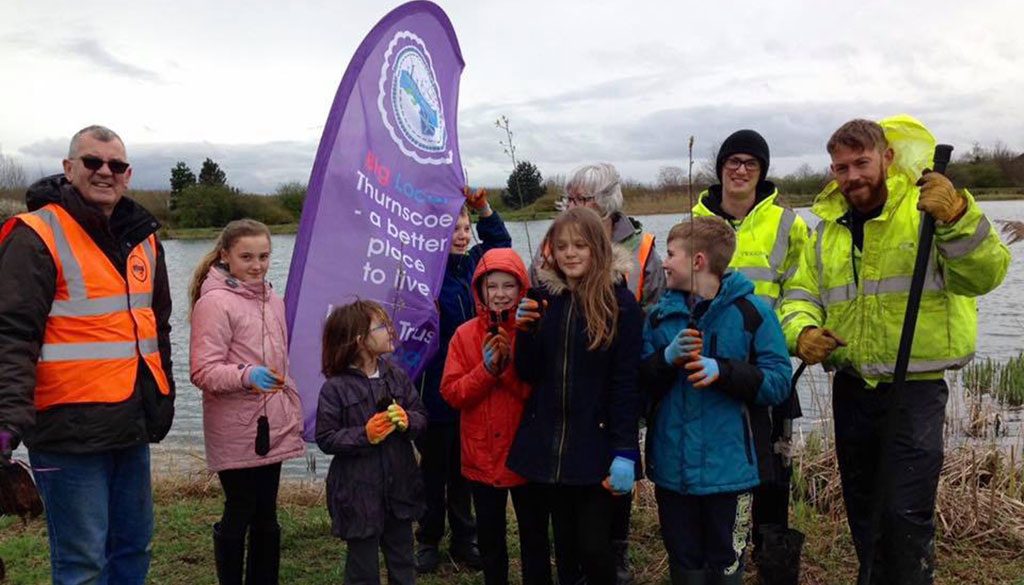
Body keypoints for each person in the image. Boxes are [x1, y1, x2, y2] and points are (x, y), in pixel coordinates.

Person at [779, 115, 1011, 584]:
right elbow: (800, 296)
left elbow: (986, 275)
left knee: (905, 514)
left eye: (861, 163)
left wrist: (958, 219)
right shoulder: (829, 230)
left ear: (886, 158)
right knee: (863, 510)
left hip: (915, 392)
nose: (852, 177)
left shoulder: (927, 211)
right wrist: (802, 334)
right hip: (852, 387)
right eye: (840, 168)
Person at [0, 125, 175, 584]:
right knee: (82, 565)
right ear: (68, 168)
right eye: (92, 162)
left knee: (133, 549)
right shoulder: (35, 234)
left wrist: (163, 397)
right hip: (66, 430)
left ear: (128, 174)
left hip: (130, 422)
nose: (104, 172)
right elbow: (11, 335)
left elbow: (158, 328)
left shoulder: (144, 238)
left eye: (115, 165)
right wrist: (6, 421)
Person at [639, 216, 792, 585]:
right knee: (685, 562)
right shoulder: (659, 319)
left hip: (733, 475)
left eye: (671, 254)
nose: (663, 262)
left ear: (698, 261)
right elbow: (638, 385)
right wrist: (665, 360)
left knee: (726, 563)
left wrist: (723, 371)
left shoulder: (754, 313)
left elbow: (778, 382)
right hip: (673, 474)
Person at [691, 130, 810, 580]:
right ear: (720, 167)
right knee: (723, 466)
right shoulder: (694, 220)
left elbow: (803, 288)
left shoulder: (788, 223)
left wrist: (797, 334)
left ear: (761, 172)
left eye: (751, 163)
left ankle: (773, 561)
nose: (740, 170)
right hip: (712, 369)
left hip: (767, 368)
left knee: (774, 469)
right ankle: (725, 557)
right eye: (733, 161)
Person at [510, 207, 644, 585]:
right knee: (564, 545)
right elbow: (528, 372)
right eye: (562, 245)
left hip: (596, 447)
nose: (570, 253)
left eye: (580, 245)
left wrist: (624, 451)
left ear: (598, 248)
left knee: (594, 547)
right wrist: (525, 331)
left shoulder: (621, 305)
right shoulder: (543, 300)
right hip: (548, 447)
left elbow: (625, 384)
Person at [548, 161, 664, 584]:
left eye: (584, 199)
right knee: (574, 513)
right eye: (571, 198)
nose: (574, 205)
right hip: (575, 389)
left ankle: (617, 551)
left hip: (623, 368)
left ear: (608, 201)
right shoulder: (558, 244)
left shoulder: (643, 246)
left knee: (613, 480)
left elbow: (655, 308)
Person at [189, 219, 306, 585]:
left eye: (264, 256)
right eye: (247, 257)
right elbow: (203, 371)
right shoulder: (214, 303)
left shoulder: (273, 298)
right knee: (240, 510)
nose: (257, 265)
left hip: (272, 424)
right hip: (234, 426)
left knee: (267, 515)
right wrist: (245, 375)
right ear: (225, 255)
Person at [441, 248, 552, 585]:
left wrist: (506, 372)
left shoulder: (535, 330)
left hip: (526, 454)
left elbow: (541, 393)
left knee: (535, 536)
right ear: (480, 290)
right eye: (493, 286)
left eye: (509, 286)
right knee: (490, 538)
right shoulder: (464, 335)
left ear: (522, 289)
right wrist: (487, 369)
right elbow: (452, 393)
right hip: (481, 456)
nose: (501, 294)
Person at [414, 187, 510, 573]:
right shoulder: (424, 276)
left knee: (466, 472)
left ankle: (464, 537)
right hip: (436, 393)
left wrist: (483, 208)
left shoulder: (476, 266)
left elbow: (500, 243)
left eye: (465, 226)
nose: (461, 234)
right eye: (452, 228)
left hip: (478, 390)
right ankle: (428, 540)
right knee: (434, 472)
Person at [315, 300, 428, 585]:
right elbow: (326, 438)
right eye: (381, 326)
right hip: (357, 494)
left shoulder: (396, 375)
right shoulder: (335, 388)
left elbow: (421, 416)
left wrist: (408, 420)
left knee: (403, 560)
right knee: (362, 569)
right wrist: (364, 435)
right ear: (359, 340)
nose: (391, 329)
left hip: (400, 489)